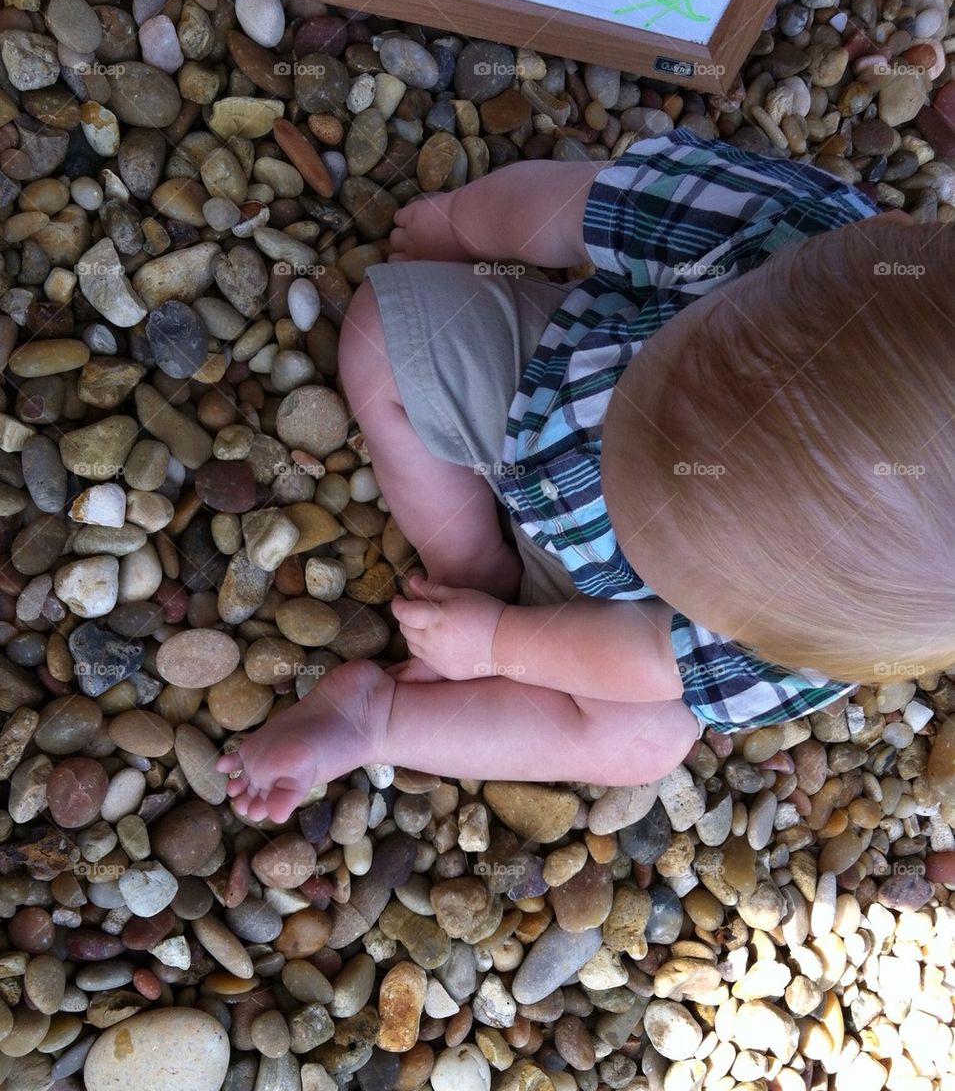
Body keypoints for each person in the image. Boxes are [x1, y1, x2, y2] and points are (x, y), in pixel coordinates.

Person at [217, 128, 946, 825]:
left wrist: (500, 645)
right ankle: (466, 557)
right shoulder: (764, 224)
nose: (632, 509)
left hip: (606, 618)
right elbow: (563, 207)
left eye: (677, 557)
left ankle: (376, 723)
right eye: (648, 422)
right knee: (383, 330)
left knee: (642, 743)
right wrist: (459, 225)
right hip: (544, 389)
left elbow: (650, 657)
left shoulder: (804, 646)